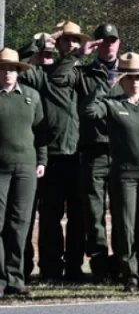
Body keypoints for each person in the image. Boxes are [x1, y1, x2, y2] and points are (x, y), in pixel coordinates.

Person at [83, 53, 139, 292]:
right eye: (129, 78)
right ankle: (129, 274)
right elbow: (89, 112)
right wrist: (107, 84)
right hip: (124, 173)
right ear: (122, 80)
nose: (134, 82)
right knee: (125, 225)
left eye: (138, 78)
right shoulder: (113, 105)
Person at [20, 26, 88, 283]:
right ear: (57, 45)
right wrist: (36, 43)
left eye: (75, 41)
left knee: (78, 217)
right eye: (66, 41)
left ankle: (74, 268)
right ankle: (49, 268)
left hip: (78, 155)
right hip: (52, 156)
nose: (71, 45)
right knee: (50, 216)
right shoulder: (43, 74)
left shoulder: (79, 73)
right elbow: (13, 63)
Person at [75, 23, 122, 281]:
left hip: (121, 151)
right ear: (96, 44)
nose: (109, 44)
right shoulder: (84, 73)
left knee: (122, 210)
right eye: (104, 41)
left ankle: (120, 262)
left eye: (113, 40)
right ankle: (100, 263)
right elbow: (60, 78)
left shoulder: (129, 71)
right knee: (94, 212)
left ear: (119, 42)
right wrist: (78, 54)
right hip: (93, 149)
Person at [0, 48, 46, 299]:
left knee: (20, 225)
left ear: (19, 71)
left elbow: (41, 134)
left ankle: (16, 279)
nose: (8, 73)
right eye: (4, 68)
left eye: (12, 69)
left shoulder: (32, 96)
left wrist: (42, 161)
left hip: (26, 168)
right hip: (0, 169)